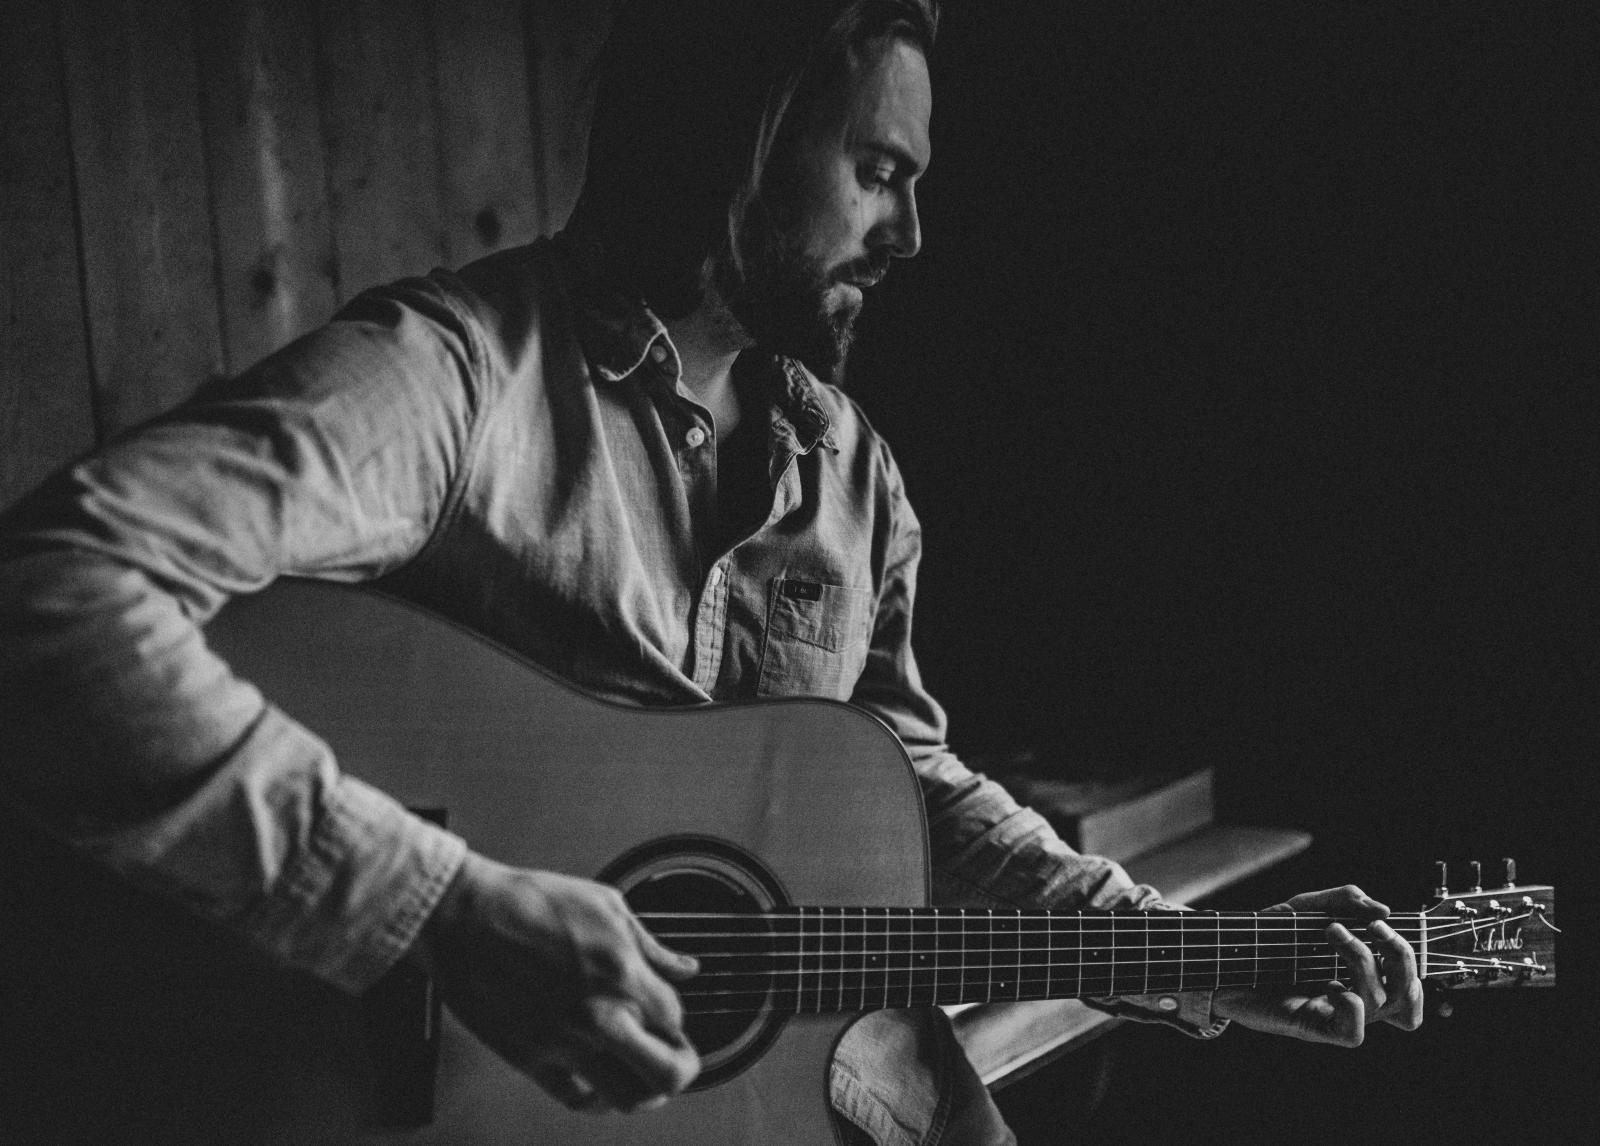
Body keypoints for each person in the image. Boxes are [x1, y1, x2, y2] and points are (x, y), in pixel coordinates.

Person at [0, 1, 1423, 1142]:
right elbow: (53, 587)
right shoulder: (458, 380)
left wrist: (1182, 950)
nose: (910, 235)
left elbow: (905, 791)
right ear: (742, 134)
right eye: (879, 174)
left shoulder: (851, 472)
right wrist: (442, 909)